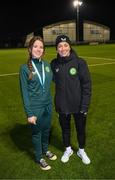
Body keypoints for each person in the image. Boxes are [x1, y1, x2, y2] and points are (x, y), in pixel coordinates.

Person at [51, 35, 91, 165]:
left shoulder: (80, 62)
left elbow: (86, 85)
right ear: (56, 49)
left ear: (70, 46)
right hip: (62, 105)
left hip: (79, 106)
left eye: (65, 45)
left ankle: (81, 150)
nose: (63, 48)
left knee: (80, 130)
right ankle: (68, 149)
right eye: (60, 46)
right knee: (65, 129)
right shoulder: (54, 64)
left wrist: (84, 106)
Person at [19, 36, 57, 171]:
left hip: (48, 105)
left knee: (46, 130)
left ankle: (46, 150)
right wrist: (29, 113)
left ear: (43, 50)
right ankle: (39, 157)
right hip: (35, 108)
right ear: (30, 49)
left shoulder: (47, 65)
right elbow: (24, 93)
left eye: (41, 47)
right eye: (35, 46)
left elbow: (56, 79)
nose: (38, 49)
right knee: (37, 133)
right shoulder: (24, 68)